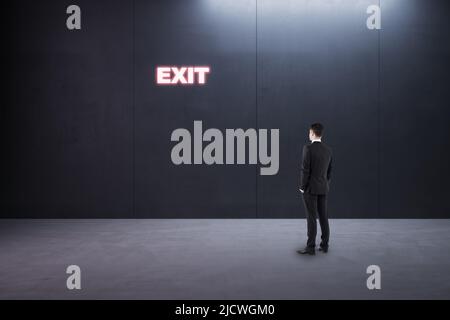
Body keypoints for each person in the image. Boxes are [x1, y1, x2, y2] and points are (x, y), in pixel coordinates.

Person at [298, 123, 333, 255]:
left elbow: (305, 170)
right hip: (323, 187)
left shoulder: (308, 148)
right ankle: (324, 245)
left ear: (312, 133)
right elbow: (330, 171)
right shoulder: (328, 150)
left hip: (310, 189)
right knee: (323, 216)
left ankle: (310, 247)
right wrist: (325, 183)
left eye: (309, 132)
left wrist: (302, 186)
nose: (309, 134)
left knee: (311, 217)